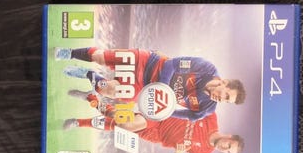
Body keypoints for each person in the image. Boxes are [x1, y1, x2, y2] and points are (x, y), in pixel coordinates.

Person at [57, 47, 245, 121]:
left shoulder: (207, 108)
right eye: (226, 95)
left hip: (144, 87)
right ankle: (68, 53)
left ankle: (88, 74)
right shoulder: (205, 67)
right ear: (224, 82)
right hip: (148, 62)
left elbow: (188, 116)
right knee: (100, 57)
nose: (221, 99)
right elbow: (171, 64)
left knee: (109, 91)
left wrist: (162, 110)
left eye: (226, 101)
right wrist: (162, 89)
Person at [63, 110, 244, 153]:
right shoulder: (211, 117)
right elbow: (194, 98)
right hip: (160, 116)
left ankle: (91, 102)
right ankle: (81, 118)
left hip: (156, 136)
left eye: (228, 152)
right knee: (125, 124)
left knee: (118, 123)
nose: (224, 148)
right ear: (229, 136)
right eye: (229, 145)